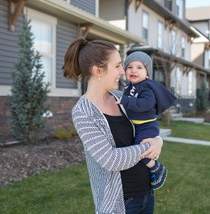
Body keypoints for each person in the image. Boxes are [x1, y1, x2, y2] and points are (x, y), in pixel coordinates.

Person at [62, 37, 164, 214]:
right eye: (117, 66)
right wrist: (149, 146)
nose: (123, 72)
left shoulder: (121, 96)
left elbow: (146, 123)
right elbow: (110, 159)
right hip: (120, 201)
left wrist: (158, 139)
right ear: (98, 70)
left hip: (147, 194)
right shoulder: (83, 111)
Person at [117, 51, 176, 190]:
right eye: (130, 67)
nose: (133, 70)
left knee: (140, 150)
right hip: (136, 125)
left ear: (147, 73)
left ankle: (157, 168)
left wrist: (126, 101)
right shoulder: (129, 87)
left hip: (147, 126)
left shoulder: (146, 87)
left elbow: (145, 104)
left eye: (139, 67)